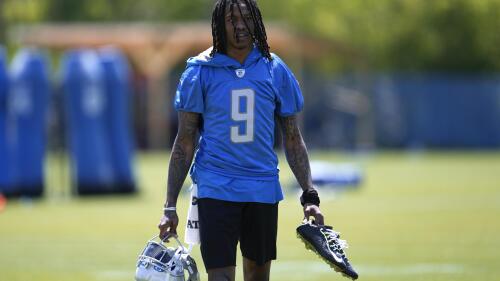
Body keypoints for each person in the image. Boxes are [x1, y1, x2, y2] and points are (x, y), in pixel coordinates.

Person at [158, 1, 323, 280]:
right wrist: (170, 206)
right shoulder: (200, 70)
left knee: (258, 276)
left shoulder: (274, 68)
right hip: (215, 186)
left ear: (256, 21)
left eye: (246, 18)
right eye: (232, 19)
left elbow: (293, 138)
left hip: (262, 187)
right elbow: (184, 141)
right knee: (220, 276)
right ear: (219, 25)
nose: (240, 26)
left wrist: (310, 194)